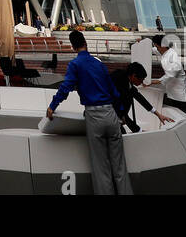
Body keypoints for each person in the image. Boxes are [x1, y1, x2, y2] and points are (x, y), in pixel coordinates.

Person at [46, 30, 131, 195]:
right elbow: (114, 91)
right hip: (111, 115)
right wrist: (121, 113)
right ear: (86, 42)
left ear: (73, 47)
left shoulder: (75, 65)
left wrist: (52, 106)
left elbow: (66, 87)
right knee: (120, 166)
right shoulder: (99, 64)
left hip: (94, 116)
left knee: (101, 167)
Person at [146, 35, 186, 124]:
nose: (156, 48)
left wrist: (154, 81)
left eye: (157, 46)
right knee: (178, 118)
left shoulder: (172, 56)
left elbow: (172, 73)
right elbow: (153, 49)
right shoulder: (164, 51)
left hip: (181, 95)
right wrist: (142, 43)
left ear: (162, 46)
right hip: (172, 93)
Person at [119, 62, 174, 132]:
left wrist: (158, 115)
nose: (142, 83)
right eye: (141, 80)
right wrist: (139, 131)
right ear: (134, 76)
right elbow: (123, 115)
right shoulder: (120, 85)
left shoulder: (127, 83)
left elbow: (140, 99)